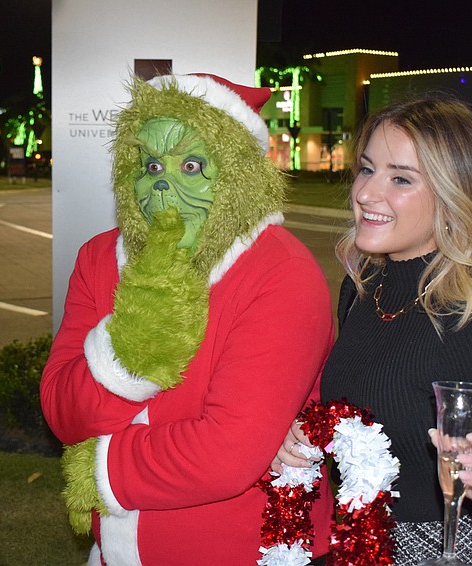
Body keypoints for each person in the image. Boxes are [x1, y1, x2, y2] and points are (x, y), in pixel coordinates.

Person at [40, 73, 336, 565]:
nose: (162, 181)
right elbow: (63, 411)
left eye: (193, 164)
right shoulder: (99, 258)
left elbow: (228, 453)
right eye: (150, 163)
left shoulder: (282, 272)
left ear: (239, 174)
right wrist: (130, 347)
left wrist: (100, 466)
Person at [274, 95, 472, 565]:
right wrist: (307, 433)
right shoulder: (364, 288)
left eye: (401, 178)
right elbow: (370, 421)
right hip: (367, 547)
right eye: (367, 169)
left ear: (453, 196)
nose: (366, 193)